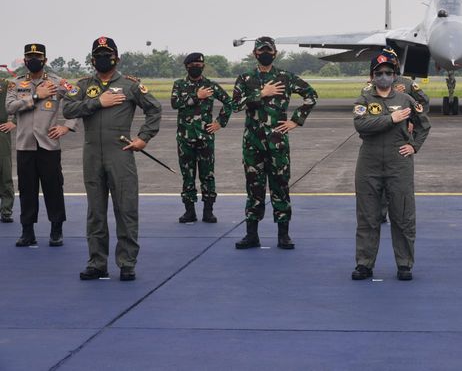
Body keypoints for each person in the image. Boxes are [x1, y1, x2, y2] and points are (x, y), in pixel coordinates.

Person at [63, 37, 162, 281]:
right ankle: (97, 262)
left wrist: (143, 138)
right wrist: (98, 102)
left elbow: (154, 108)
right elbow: (67, 110)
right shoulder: (84, 85)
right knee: (95, 212)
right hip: (92, 155)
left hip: (121, 153)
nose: (103, 58)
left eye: (107, 54)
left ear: (116, 57)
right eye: (98, 54)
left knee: (126, 208)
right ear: (92, 59)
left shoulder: (130, 85)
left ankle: (127, 262)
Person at [232, 36, 317, 250]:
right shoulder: (245, 78)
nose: (265, 53)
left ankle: (283, 235)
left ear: (275, 53)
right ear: (254, 54)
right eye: (261, 51)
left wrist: (296, 121)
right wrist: (261, 93)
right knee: (254, 188)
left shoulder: (285, 78)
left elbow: (311, 95)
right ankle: (252, 235)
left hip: (277, 143)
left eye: (268, 50)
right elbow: (234, 105)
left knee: (280, 187)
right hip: (253, 144)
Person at [351, 52, 430, 281]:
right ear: (372, 76)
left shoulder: (406, 100)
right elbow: (361, 124)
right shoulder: (364, 99)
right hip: (369, 162)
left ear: (394, 75)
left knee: (403, 215)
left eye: (388, 73)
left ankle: (404, 264)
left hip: (399, 163)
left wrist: (414, 146)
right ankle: (364, 263)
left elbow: (424, 124)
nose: (384, 76)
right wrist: (391, 120)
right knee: (367, 216)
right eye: (379, 73)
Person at [6, 43, 78, 247]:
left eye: (37, 57)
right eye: (29, 57)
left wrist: (68, 126)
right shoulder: (16, 84)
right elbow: (10, 107)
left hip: (49, 145)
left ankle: (56, 230)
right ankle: (27, 231)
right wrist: (37, 96)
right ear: (25, 60)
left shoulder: (57, 82)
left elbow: (77, 101)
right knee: (27, 190)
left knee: (53, 188)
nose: (33, 60)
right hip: (25, 145)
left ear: (45, 60)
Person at [360, 47, 430, 224]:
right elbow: (362, 116)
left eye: (391, 62)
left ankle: (397, 215)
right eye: (380, 70)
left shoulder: (407, 83)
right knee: (377, 184)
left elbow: (423, 100)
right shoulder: (370, 88)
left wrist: (413, 121)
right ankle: (381, 213)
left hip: (399, 140)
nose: (384, 75)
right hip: (375, 143)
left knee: (398, 184)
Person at [171, 52, 233, 224]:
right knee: (188, 176)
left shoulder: (210, 85)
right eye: (194, 65)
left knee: (207, 175)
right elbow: (175, 103)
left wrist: (220, 122)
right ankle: (189, 211)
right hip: (185, 138)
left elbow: (229, 103)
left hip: (205, 137)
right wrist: (196, 97)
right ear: (187, 66)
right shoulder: (179, 84)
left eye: (200, 65)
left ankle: (208, 211)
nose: (197, 67)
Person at [0, 77, 17, 223]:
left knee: (4, 172)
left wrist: (14, 122)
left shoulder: (7, 85)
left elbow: (25, 100)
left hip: (1, 132)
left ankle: (6, 210)